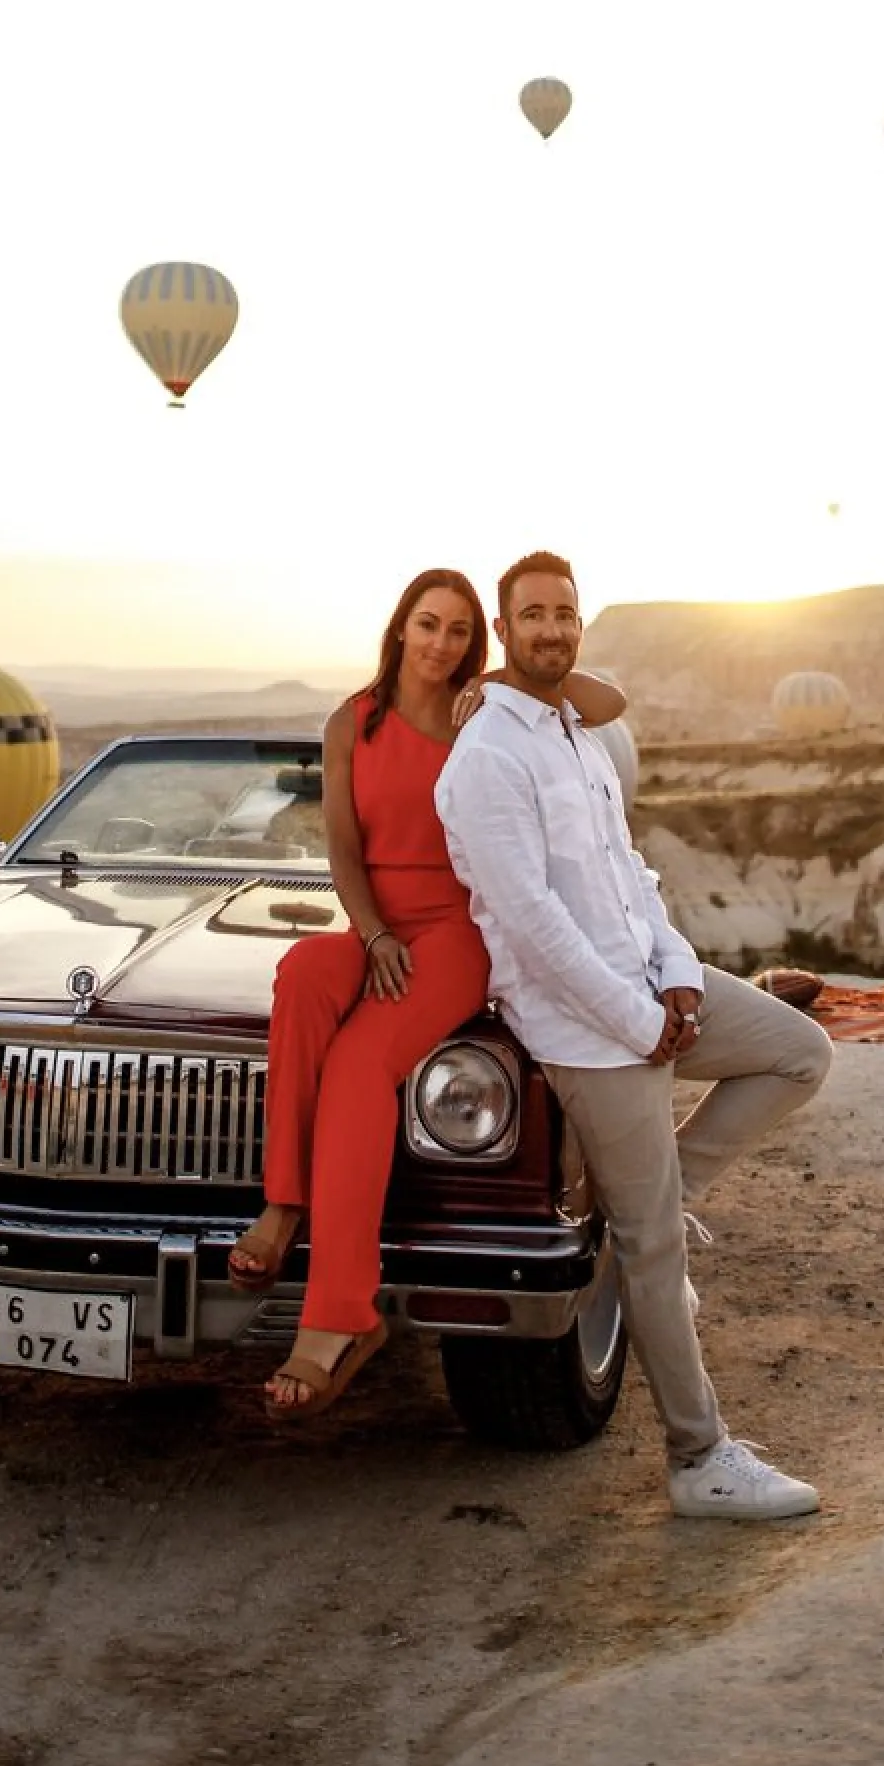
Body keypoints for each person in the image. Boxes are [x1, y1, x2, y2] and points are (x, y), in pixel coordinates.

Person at [436, 552, 833, 1521]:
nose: (552, 629)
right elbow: (529, 920)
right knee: (658, 1249)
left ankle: (649, 1204)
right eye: (532, 615)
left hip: (648, 994)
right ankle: (700, 1460)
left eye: (564, 613)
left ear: (579, 625)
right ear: (504, 631)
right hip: (582, 1024)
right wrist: (635, 1020)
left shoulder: (579, 735)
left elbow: (630, 878)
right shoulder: (489, 756)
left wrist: (683, 975)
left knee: (799, 1053)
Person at [230, 565, 631, 1416]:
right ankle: (282, 1204)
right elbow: (344, 851)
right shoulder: (351, 721)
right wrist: (371, 935)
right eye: (428, 625)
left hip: (456, 934)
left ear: (472, 641)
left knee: (361, 1064)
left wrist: (508, 677)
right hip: (376, 923)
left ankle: (340, 1313)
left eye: (457, 631)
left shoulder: (482, 711)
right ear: (400, 629)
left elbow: (606, 705)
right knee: (302, 974)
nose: (441, 643)